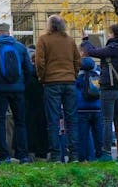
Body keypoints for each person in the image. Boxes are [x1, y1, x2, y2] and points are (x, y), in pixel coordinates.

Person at [82, 23, 118, 161]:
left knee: (107, 121)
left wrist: (85, 40)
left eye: (110, 33)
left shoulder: (114, 47)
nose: (108, 35)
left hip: (109, 88)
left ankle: (106, 153)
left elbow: (93, 52)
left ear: (115, 34)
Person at [0, 22, 32, 164]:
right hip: (18, 90)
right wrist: (22, 84)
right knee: (20, 122)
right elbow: (29, 70)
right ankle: (22, 155)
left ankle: (4, 155)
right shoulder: (21, 47)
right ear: (8, 32)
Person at [35, 15, 81, 163]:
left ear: (49, 25)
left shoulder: (43, 40)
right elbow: (77, 60)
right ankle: (74, 155)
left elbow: (39, 62)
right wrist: (73, 74)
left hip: (52, 82)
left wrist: (42, 77)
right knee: (71, 120)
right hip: (69, 82)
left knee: (53, 120)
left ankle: (55, 156)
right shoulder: (70, 40)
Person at [74, 57, 102, 162]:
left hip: (81, 109)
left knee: (82, 136)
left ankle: (82, 157)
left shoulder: (78, 76)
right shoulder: (97, 75)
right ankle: (99, 155)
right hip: (97, 108)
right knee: (98, 134)